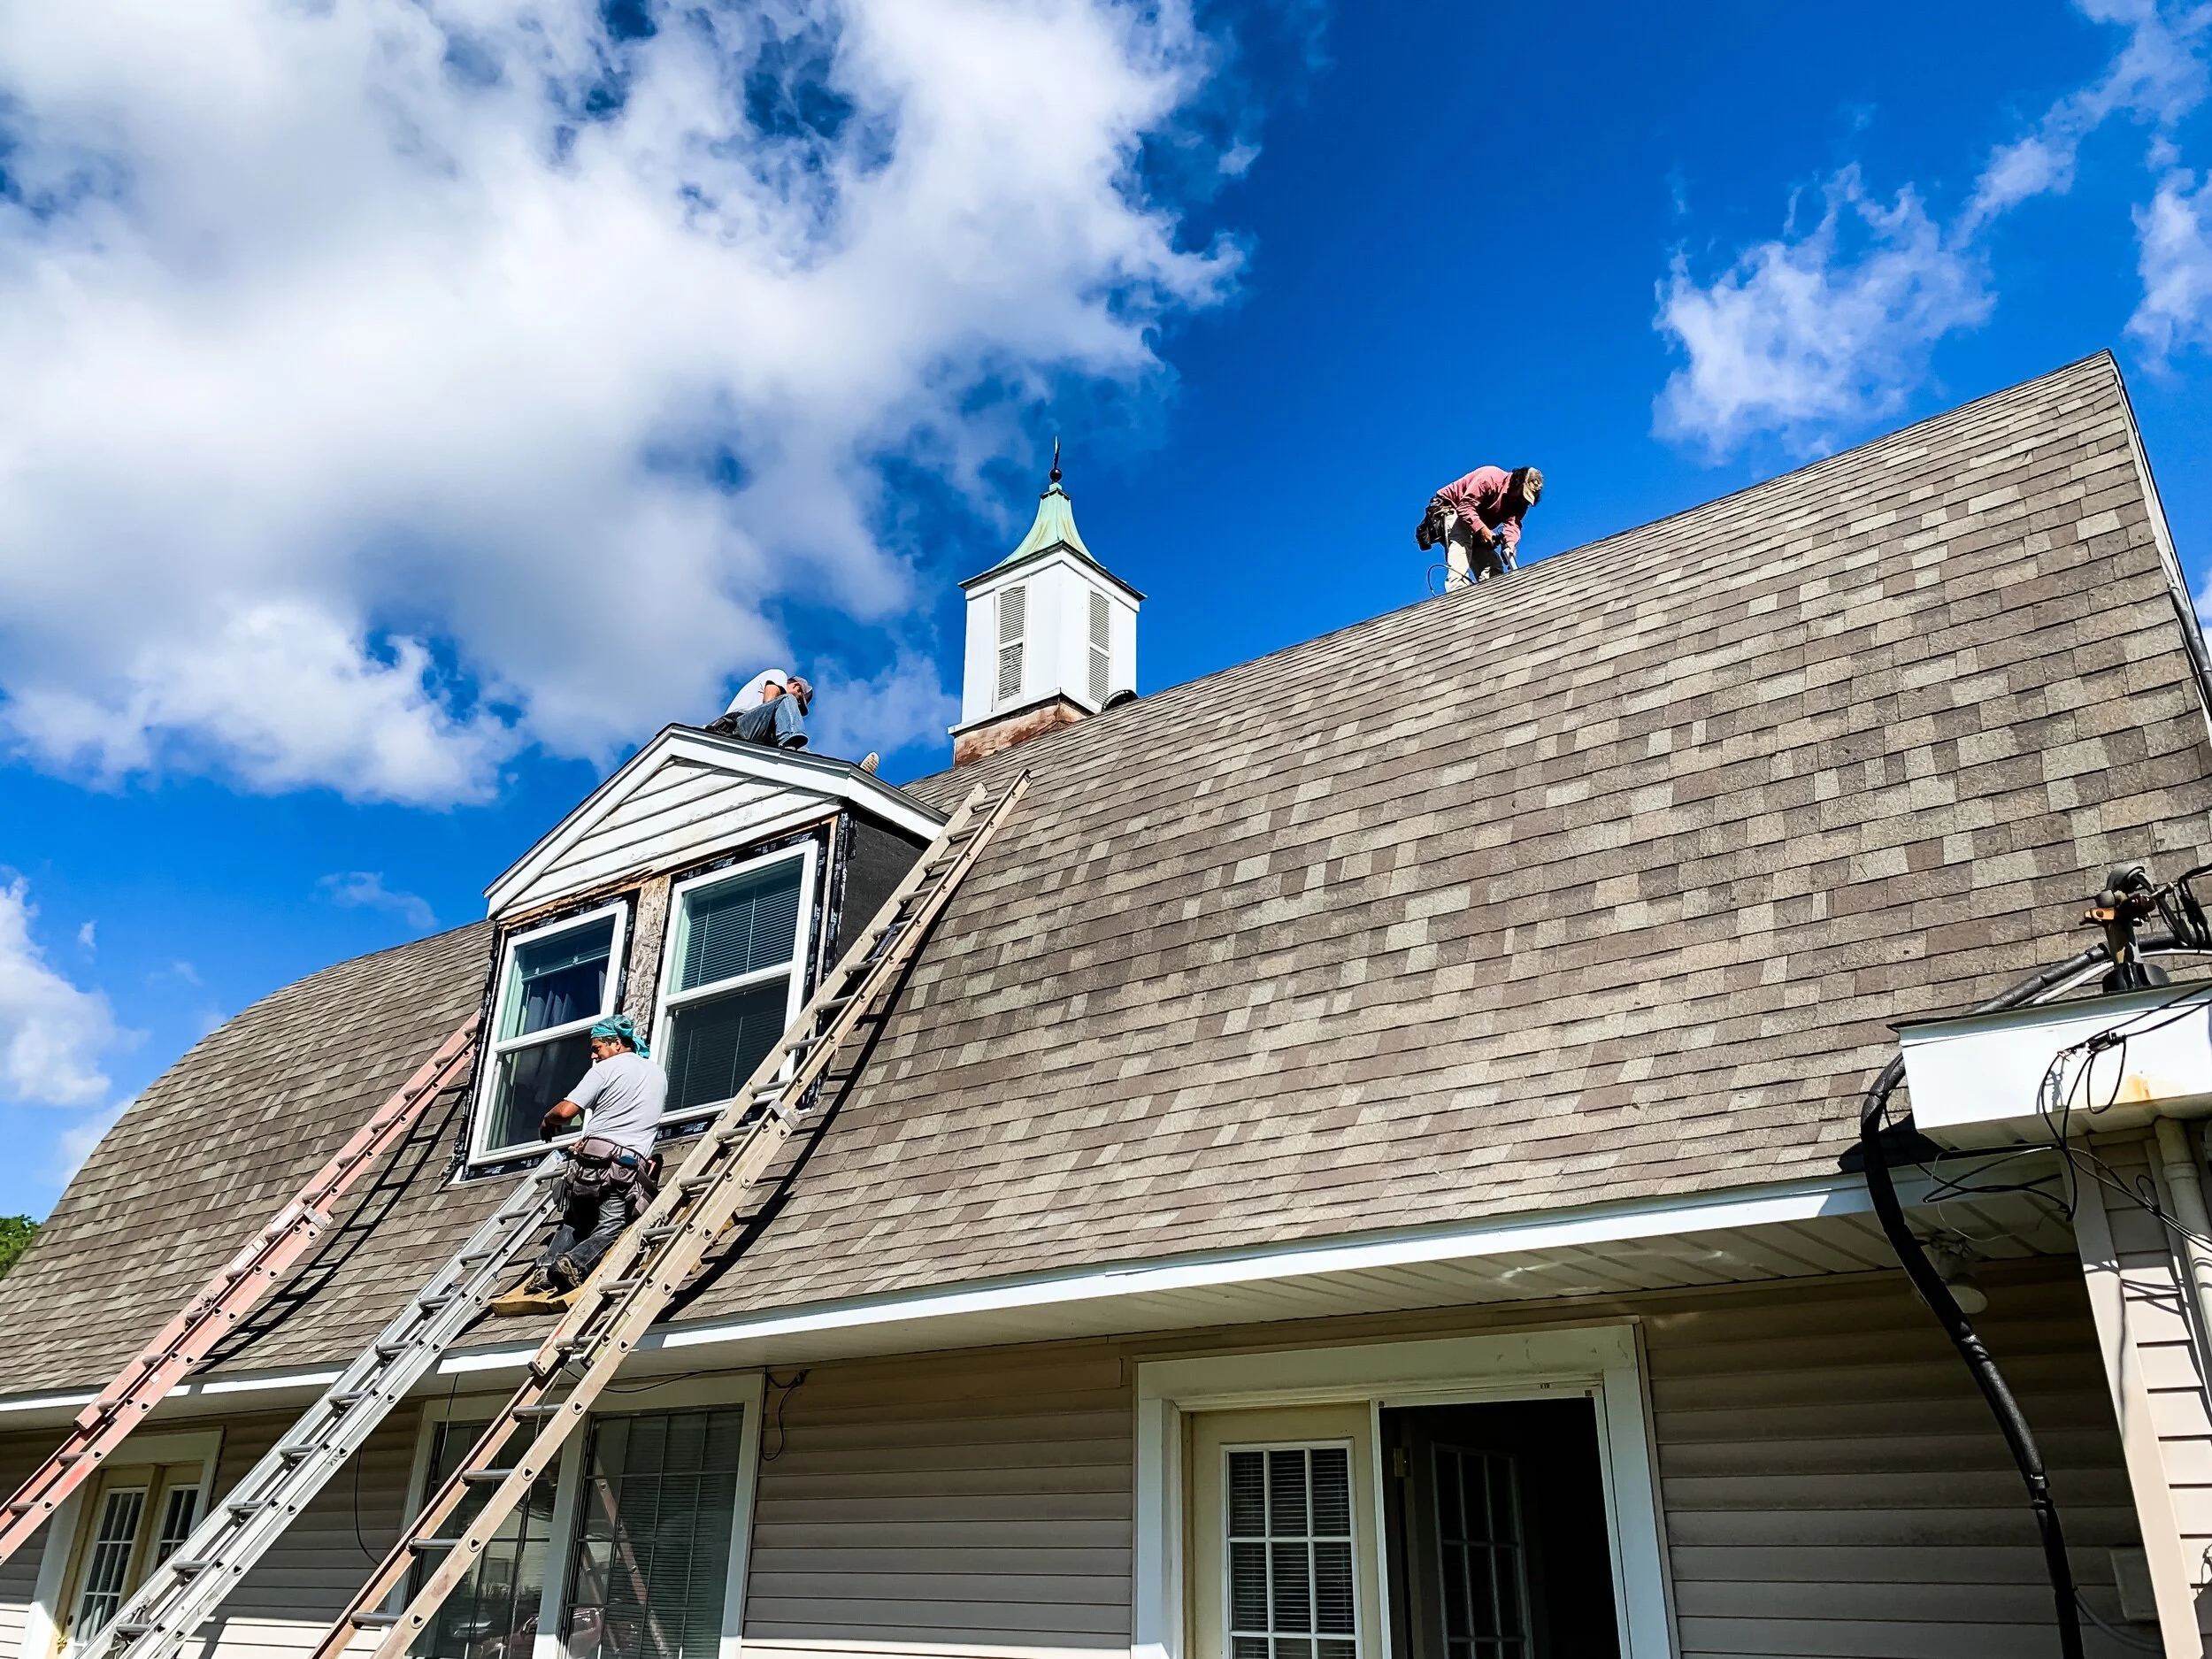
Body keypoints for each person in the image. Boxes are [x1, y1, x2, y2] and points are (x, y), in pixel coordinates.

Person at [488, 1014, 666, 1316]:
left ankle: (550, 1270)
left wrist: (547, 1119)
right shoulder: (657, 1074)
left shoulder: (606, 1069)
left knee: (575, 1221)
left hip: (591, 1164)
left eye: (597, 1047)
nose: (593, 1054)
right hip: (627, 1169)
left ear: (617, 1043)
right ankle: (568, 1265)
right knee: (609, 1224)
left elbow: (567, 1111)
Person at [1417, 465, 1543, 589]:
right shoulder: (1491, 477)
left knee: (1493, 566)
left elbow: (1513, 525)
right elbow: (1465, 507)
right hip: (1451, 509)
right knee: (1462, 539)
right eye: (1521, 494)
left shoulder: (1520, 503)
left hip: (1474, 524)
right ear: (1517, 482)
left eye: (1525, 498)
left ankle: (1495, 595)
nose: (1521, 500)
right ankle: (1457, 591)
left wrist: (1510, 545)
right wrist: (1483, 530)